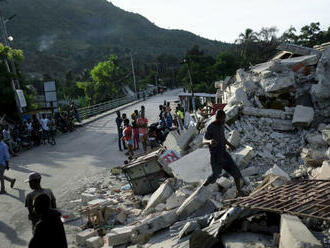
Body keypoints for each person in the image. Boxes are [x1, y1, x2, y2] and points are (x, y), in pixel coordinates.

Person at [202, 110, 245, 197]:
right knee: (214, 176)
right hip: (215, 156)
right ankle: (203, 187)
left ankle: (239, 192)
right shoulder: (210, 127)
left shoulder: (221, 126)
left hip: (224, 154)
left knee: (236, 172)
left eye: (224, 119)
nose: (223, 121)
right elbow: (203, 140)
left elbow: (223, 138)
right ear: (217, 118)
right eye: (222, 119)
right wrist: (209, 141)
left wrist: (230, 145)